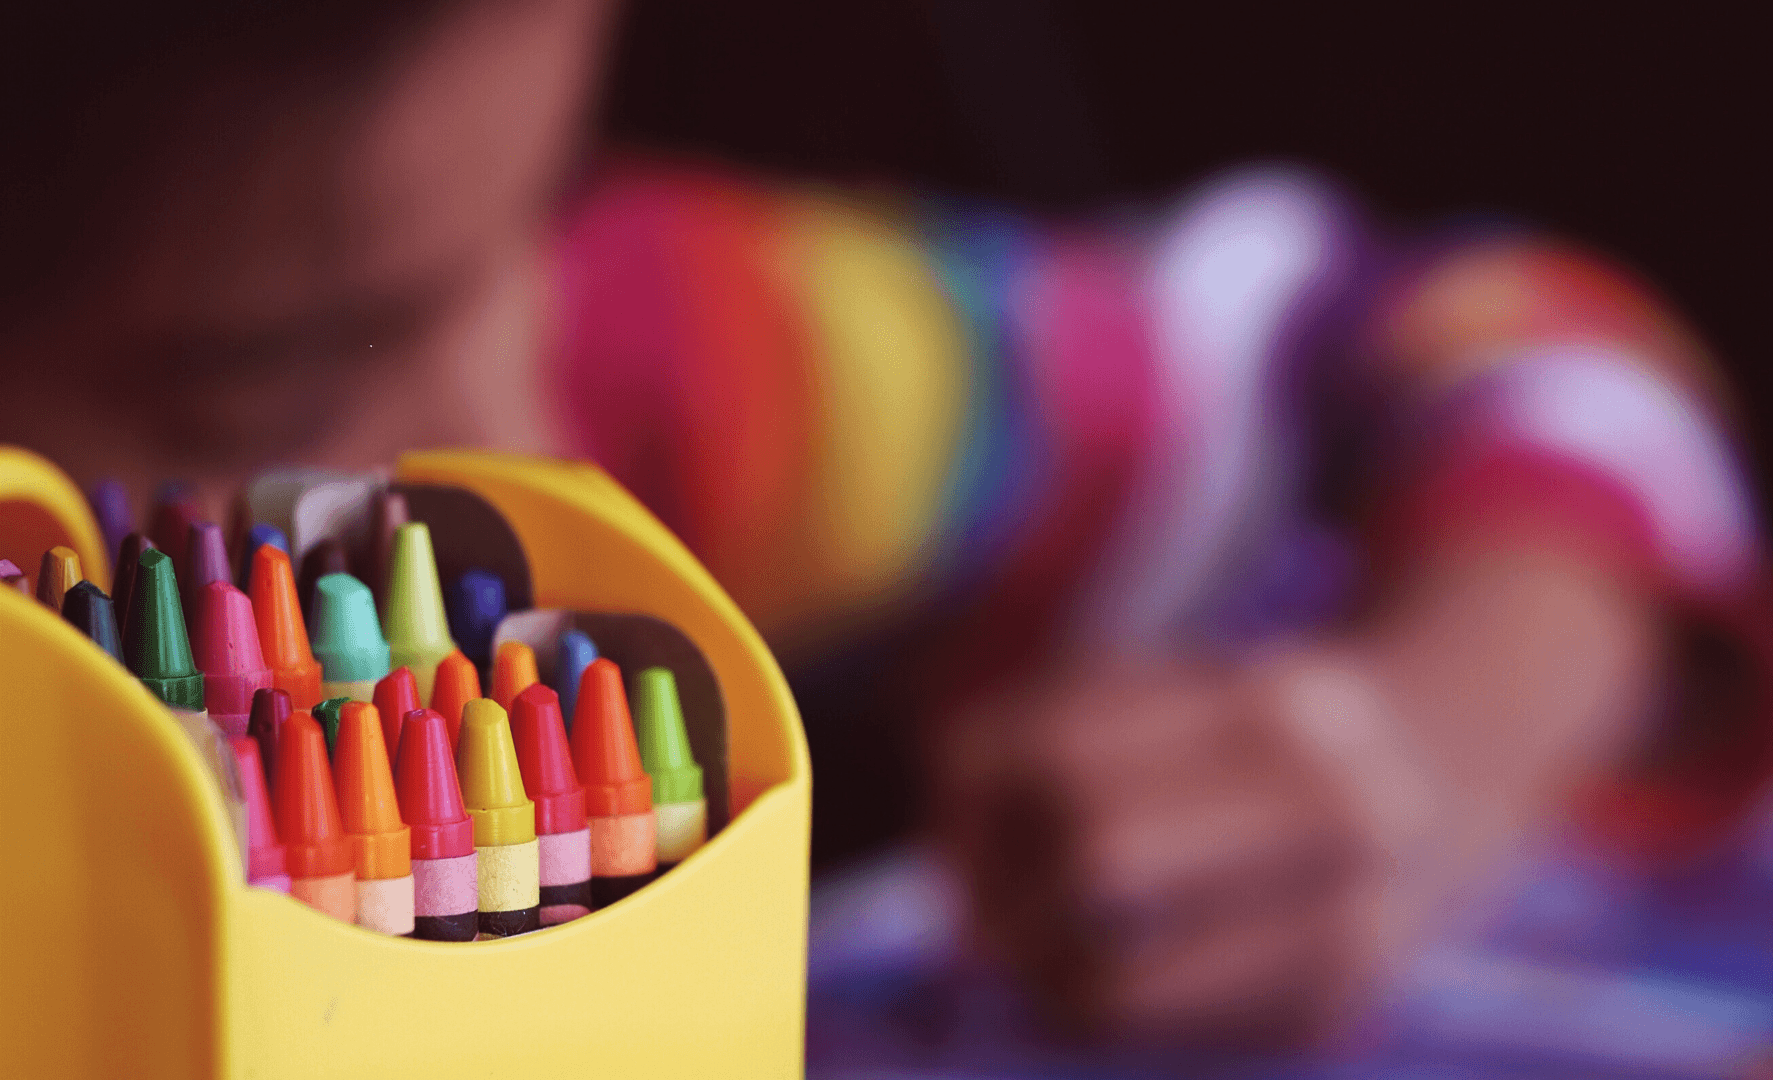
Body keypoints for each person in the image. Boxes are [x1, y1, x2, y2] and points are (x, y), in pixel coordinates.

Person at [2, 0, 1765, 1045]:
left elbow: (1456, 343)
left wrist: (1432, 735)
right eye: (256, 393)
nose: (514, 441)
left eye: (541, 205)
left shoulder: (655, 359)